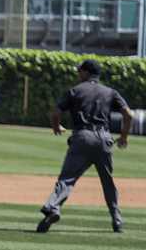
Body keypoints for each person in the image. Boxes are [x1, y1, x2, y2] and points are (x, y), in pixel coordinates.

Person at [37, 59, 133, 233]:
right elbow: (128, 114)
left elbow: (56, 113)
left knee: (67, 179)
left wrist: (56, 126)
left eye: (80, 71)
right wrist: (124, 137)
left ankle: (53, 208)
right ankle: (117, 219)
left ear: (87, 73)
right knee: (107, 181)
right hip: (104, 138)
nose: (78, 74)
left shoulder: (75, 90)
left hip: (82, 137)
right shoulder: (110, 92)